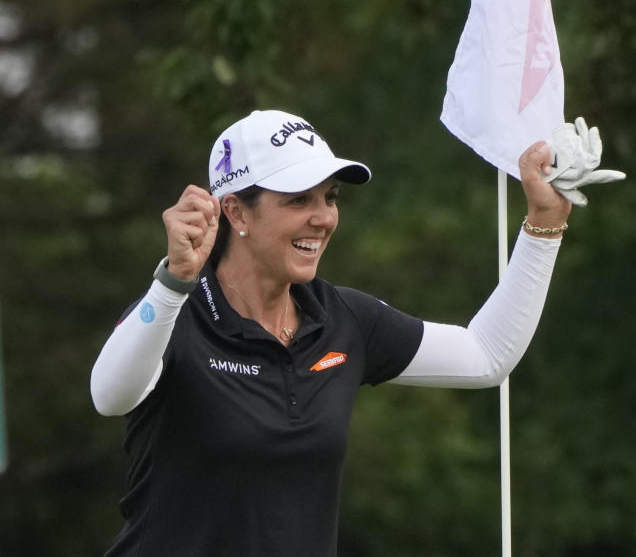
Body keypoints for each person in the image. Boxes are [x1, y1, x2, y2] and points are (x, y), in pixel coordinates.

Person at [90, 109, 593, 557]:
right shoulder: (175, 312)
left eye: (330, 197)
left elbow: (487, 355)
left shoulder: (342, 319)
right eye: (298, 199)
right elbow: (110, 395)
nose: (324, 217)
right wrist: (172, 284)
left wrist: (544, 223)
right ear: (236, 212)